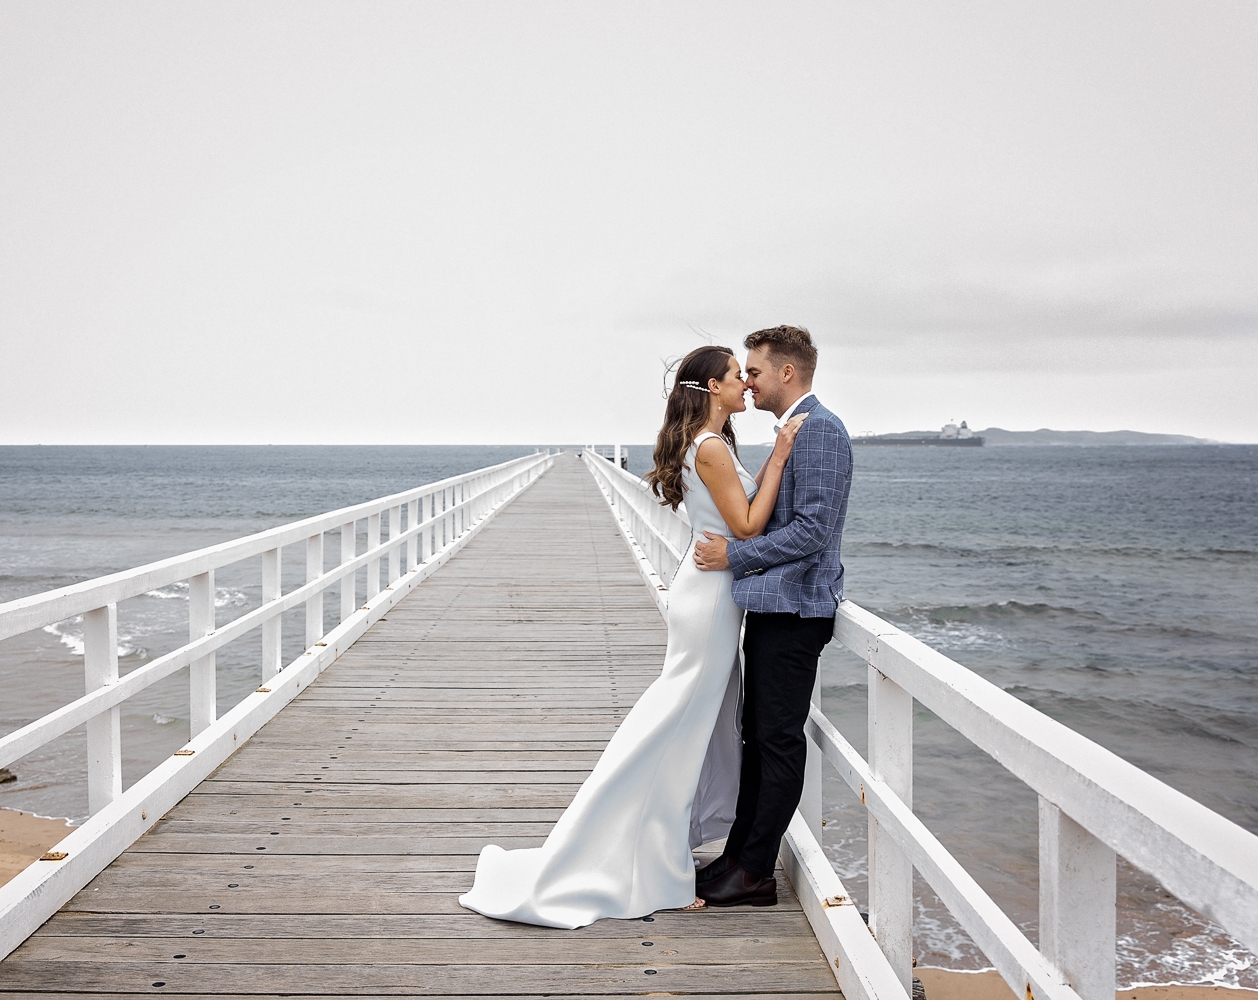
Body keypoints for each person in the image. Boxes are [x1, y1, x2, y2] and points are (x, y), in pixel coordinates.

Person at [457, 344, 806, 928]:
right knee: (677, 727)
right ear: (710, 389)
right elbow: (747, 525)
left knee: (685, 724)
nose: (745, 385)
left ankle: (654, 844)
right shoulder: (713, 448)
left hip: (708, 591)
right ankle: (643, 857)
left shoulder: (712, 444)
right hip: (712, 601)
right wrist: (780, 460)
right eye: (734, 378)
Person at [692, 325, 853, 908]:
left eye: (754, 372)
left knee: (777, 740)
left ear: (788, 372)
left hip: (797, 610)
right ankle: (738, 857)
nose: (749, 383)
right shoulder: (796, 432)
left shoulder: (823, 432)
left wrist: (734, 554)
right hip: (772, 604)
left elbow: (812, 532)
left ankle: (755, 872)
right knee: (756, 738)